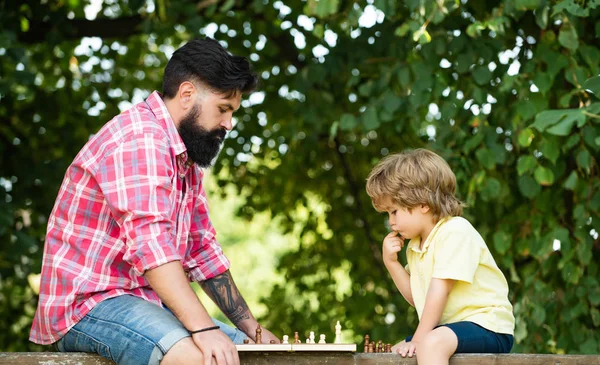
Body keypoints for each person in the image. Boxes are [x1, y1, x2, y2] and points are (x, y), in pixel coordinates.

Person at [30, 37, 279, 365]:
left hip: (146, 304)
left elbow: (202, 251)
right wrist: (203, 328)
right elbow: (153, 248)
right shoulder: (142, 140)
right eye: (223, 109)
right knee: (201, 359)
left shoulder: (184, 159)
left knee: (259, 356)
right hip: (87, 306)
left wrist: (253, 331)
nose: (228, 124)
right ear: (187, 95)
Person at [365, 148, 514, 364]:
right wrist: (391, 263)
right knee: (390, 354)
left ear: (423, 204)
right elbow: (420, 299)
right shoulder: (416, 245)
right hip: (448, 330)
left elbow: (439, 291)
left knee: (430, 343)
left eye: (394, 211)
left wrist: (418, 338)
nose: (391, 222)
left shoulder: (455, 231)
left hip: (487, 325)